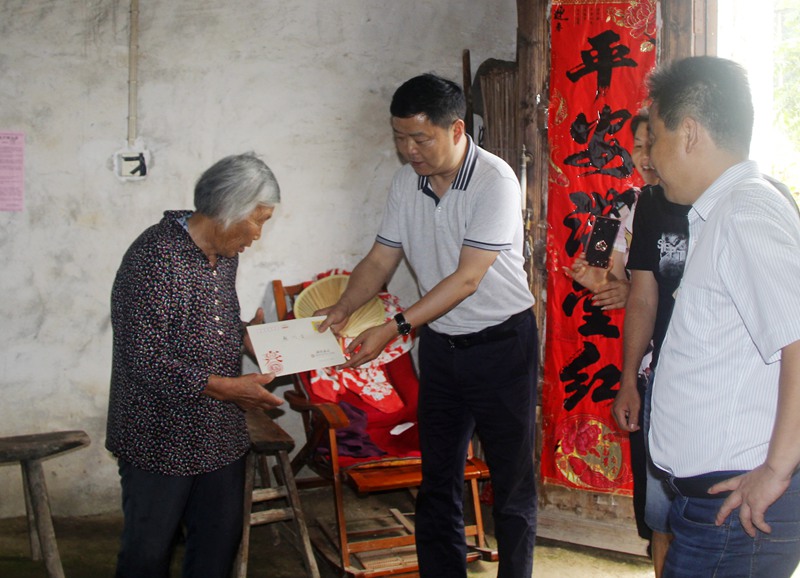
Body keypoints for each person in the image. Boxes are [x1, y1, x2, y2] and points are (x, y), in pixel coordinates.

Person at [317, 73, 538, 578]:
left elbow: (467, 278)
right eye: (400, 138)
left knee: (511, 482)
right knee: (437, 478)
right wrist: (344, 307)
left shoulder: (495, 181)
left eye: (420, 138)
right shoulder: (406, 182)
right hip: (441, 347)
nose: (408, 150)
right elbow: (381, 257)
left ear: (456, 129)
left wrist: (395, 326)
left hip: (502, 346)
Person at [644, 56, 800, 577]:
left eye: (655, 139)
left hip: (738, 509)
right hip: (715, 503)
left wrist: (775, 469)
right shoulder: (722, 212)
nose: (650, 158)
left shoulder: (745, 212)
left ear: (689, 133)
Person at [106, 152, 285, 578]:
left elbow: (212, 321)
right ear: (227, 211)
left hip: (218, 434)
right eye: (257, 220)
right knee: (148, 554)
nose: (258, 234)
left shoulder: (225, 254)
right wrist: (229, 388)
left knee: (217, 548)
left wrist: (249, 334)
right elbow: (143, 358)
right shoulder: (153, 258)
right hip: (158, 435)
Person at [611, 110, 690, 578]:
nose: (645, 156)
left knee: (707, 516)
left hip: (719, 386)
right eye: (639, 146)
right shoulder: (648, 206)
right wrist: (630, 381)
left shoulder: (743, 202)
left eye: (652, 142)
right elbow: (641, 295)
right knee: (660, 515)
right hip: (659, 377)